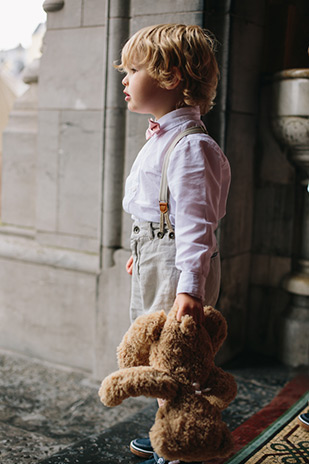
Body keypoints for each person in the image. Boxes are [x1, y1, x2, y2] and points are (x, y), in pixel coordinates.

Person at [118, 23, 231, 464]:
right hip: (157, 257)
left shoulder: (190, 147)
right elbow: (153, 208)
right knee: (160, 353)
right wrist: (140, 253)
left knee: (179, 358)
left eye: (133, 70)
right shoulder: (163, 136)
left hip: (178, 264)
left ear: (171, 76)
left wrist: (189, 286)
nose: (124, 80)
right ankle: (170, 425)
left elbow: (196, 225)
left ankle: (184, 445)